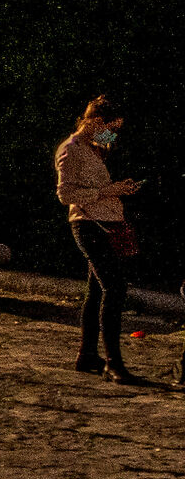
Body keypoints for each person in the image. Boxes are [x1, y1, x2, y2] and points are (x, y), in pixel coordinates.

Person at [56, 95, 142, 381]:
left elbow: (96, 180)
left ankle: (87, 355)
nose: (113, 134)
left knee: (95, 293)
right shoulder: (70, 149)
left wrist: (119, 188)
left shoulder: (92, 148)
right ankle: (114, 363)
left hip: (105, 222)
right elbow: (65, 194)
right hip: (90, 226)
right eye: (111, 127)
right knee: (114, 289)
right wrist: (107, 192)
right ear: (95, 121)